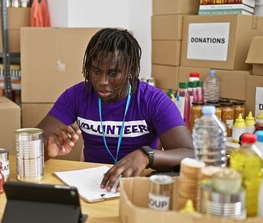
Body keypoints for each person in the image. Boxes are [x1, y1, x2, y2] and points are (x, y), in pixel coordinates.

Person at [36, 28, 194, 192]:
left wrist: (146, 155)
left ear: (130, 71)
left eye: (113, 73)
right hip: (92, 186)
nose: (102, 81)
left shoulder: (154, 101)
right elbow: (33, 141)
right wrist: (48, 149)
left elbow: (191, 154)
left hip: (137, 185)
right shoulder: (76, 95)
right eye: (96, 71)